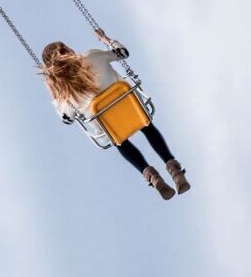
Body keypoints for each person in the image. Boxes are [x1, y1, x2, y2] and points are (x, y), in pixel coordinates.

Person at [40, 30, 190, 200]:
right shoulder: (91, 56)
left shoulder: (67, 91)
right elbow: (123, 53)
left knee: (119, 141)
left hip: (108, 124)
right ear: (67, 50)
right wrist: (106, 39)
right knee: (147, 127)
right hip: (130, 108)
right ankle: (175, 170)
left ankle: (152, 177)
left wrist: (54, 94)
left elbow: (67, 119)